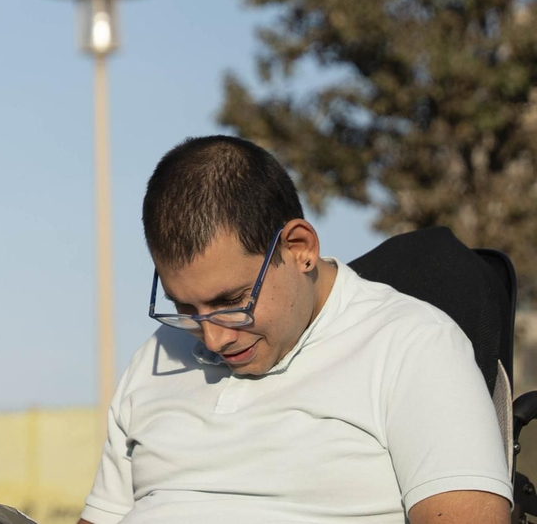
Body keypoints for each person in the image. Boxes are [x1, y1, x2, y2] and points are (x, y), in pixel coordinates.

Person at [79, 135, 510, 524]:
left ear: (299, 248)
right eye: (185, 308)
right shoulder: (157, 356)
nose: (213, 338)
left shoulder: (413, 345)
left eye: (232, 303)